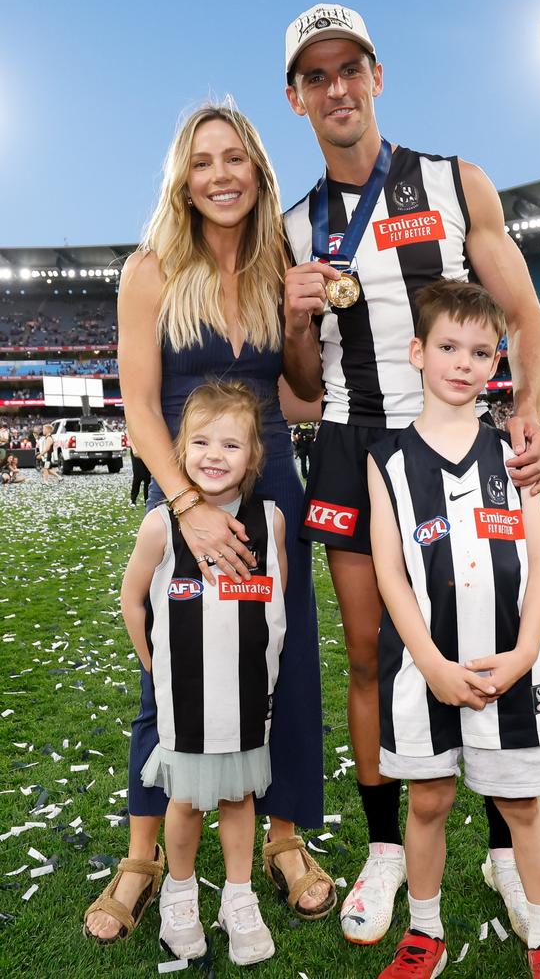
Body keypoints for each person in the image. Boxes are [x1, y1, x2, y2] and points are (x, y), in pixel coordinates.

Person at [282, 3, 540, 944]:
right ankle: (388, 846)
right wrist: (289, 315)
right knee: (372, 655)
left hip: (457, 441)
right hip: (357, 447)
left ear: (377, 77)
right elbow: (302, 389)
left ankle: (497, 839)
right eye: (316, 76)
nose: (337, 88)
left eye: (350, 68)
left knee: (478, 632)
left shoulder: (452, 180)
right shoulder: (293, 225)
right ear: (297, 98)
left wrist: (522, 412)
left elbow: (524, 317)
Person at [84, 102, 334, 944]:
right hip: (186, 494)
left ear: (258, 170)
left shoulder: (278, 265)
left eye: (235, 158)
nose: (220, 174)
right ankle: (144, 855)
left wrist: (301, 321)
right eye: (202, 162)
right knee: (174, 671)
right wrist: (184, 507)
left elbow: (303, 396)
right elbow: (141, 409)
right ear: (182, 180)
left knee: (283, 663)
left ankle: (285, 840)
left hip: (272, 495)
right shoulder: (149, 269)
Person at [369, 280, 540, 979]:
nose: (463, 362)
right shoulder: (387, 460)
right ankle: (424, 932)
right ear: (417, 352)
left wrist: (523, 653)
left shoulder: (514, 452)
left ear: (495, 364)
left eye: (481, 351)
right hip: (423, 669)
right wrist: (428, 661)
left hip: (509, 667)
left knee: (522, 804)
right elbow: (390, 572)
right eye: (449, 347)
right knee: (428, 800)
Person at [121, 381, 286, 963]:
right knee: (185, 803)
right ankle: (180, 892)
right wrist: (152, 662)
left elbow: (275, 605)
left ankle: (238, 897)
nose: (214, 455)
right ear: (179, 448)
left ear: (254, 456)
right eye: (200, 442)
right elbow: (132, 598)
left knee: (241, 797)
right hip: (186, 701)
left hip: (245, 699)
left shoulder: (271, 522)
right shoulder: (162, 524)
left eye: (230, 444)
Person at [128, 434, 151, 507]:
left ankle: (147, 500)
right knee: (137, 475)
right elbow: (129, 432)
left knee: (148, 476)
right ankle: (133, 499)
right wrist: (134, 448)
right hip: (137, 448)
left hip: (147, 448)